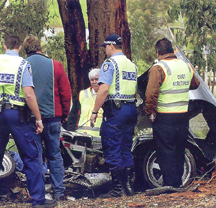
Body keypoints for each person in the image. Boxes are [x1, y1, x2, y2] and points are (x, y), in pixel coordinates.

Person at [0, 35, 56, 208]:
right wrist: (38, 118)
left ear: (4, 46)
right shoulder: (23, 65)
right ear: (20, 48)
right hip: (19, 115)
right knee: (30, 157)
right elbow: (29, 94)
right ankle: (38, 200)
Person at [145, 38, 200, 189]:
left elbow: (151, 94)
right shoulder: (186, 66)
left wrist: (150, 112)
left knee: (166, 150)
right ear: (172, 50)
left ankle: (171, 184)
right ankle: (178, 182)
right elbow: (195, 84)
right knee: (179, 149)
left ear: (158, 52)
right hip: (182, 116)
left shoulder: (158, 68)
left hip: (164, 116)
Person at [23, 35, 71, 201]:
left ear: (25, 49)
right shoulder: (55, 65)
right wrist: (64, 114)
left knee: (35, 156)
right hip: (53, 117)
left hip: (30, 119)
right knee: (54, 154)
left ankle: (38, 193)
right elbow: (66, 93)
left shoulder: (22, 65)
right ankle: (59, 192)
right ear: (40, 48)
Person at [90, 34, 138, 197]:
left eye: (106, 47)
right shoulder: (132, 65)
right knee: (126, 147)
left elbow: (103, 89)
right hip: (131, 108)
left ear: (111, 46)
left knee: (113, 146)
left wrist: (95, 111)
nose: (105, 50)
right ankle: (128, 187)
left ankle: (117, 189)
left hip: (116, 111)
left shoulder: (110, 64)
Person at [67, 68, 103, 137]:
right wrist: (71, 132)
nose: (94, 82)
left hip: (100, 138)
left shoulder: (107, 96)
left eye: (96, 79)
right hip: (81, 136)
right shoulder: (82, 94)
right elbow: (73, 116)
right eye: (92, 80)